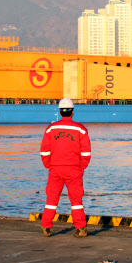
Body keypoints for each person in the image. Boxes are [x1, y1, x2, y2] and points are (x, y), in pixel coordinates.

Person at [39, 98, 91, 238]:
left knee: (51, 198)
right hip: (74, 169)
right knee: (76, 200)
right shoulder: (80, 129)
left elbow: (44, 151)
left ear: (60, 111)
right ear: (72, 112)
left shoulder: (51, 129)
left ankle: (46, 227)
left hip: (55, 169)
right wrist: (81, 167)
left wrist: (49, 165)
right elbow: (86, 152)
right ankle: (80, 229)